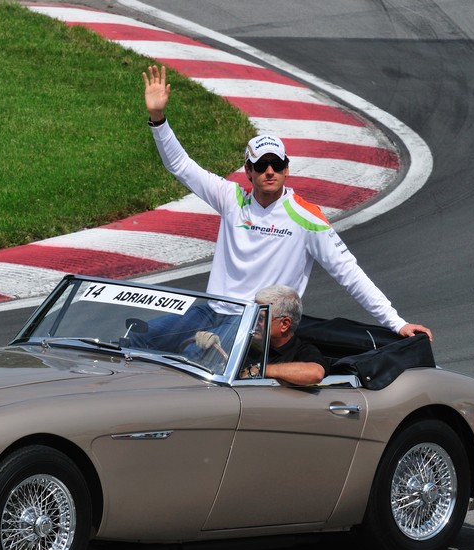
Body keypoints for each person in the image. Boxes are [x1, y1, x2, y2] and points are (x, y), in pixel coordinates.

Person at [142, 65, 433, 342]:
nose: (270, 171)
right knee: (140, 338)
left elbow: (349, 272)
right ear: (249, 171)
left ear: (286, 169)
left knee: (193, 355)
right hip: (209, 311)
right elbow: (180, 165)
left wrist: (397, 323)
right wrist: (158, 118)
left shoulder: (307, 218)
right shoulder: (230, 197)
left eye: (277, 164)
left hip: (252, 326)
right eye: (262, 164)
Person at [236, 284, 328, 385]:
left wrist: (260, 370)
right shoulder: (248, 345)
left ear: (284, 324)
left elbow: (316, 373)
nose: (253, 322)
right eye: (253, 315)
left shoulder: (303, 351)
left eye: (261, 318)